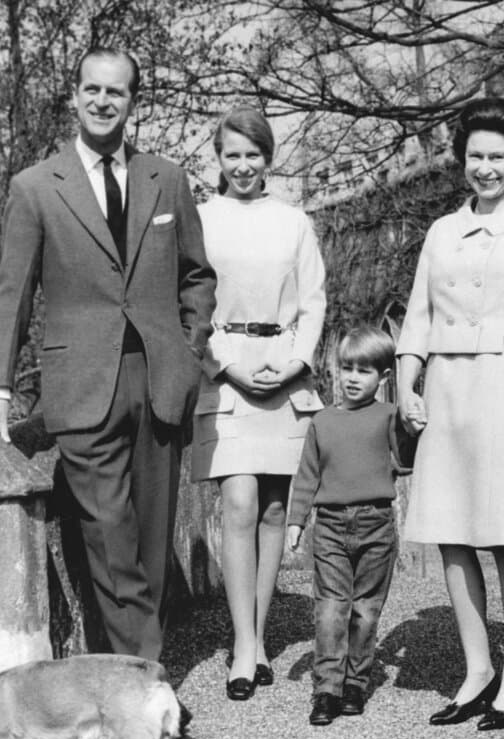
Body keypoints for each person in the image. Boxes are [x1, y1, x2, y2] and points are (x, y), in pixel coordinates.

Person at [0, 48, 216, 661]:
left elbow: (196, 277)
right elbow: (12, 293)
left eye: (118, 92)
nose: (104, 102)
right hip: (81, 386)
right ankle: (144, 683)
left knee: (154, 545)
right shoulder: (34, 188)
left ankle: (131, 668)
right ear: (74, 96)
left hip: (158, 381)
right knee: (110, 537)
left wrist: (188, 352)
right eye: (93, 90)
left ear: (134, 101)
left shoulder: (169, 178)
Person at [396, 97, 504, 731]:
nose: (486, 168)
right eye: (476, 156)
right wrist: (406, 382)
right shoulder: (442, 230)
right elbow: (418, 314)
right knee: (451, 525)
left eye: (498, 156)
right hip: (447, 388)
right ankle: (477, 669)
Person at [191, 106, 326, 701]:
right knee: (239, 500)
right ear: (217, 160)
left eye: (253, 155)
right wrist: (231, 365)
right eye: (232, 155)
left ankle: (259, 637)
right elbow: (189, 305)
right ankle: (241, 644)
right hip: (226, 373)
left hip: (285, 371)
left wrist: (295, 362)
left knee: (275, 508)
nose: (243, 166)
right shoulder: (199, 220)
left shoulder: (295, 222)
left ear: (269, 158)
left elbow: (315, 300)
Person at [285, 327, 418, 726]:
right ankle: (327, 688)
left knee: (365, 610)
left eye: (364, 370)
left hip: (377, 524)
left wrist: (413, 426)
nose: (353, 377)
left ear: (384, 377)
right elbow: (307, 475)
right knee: (329, 610)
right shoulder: (323, 421)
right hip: (329, 526)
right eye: (347, 368)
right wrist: (296, 520)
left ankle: (355, 683)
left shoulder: (389, 417)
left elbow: (407, 459)